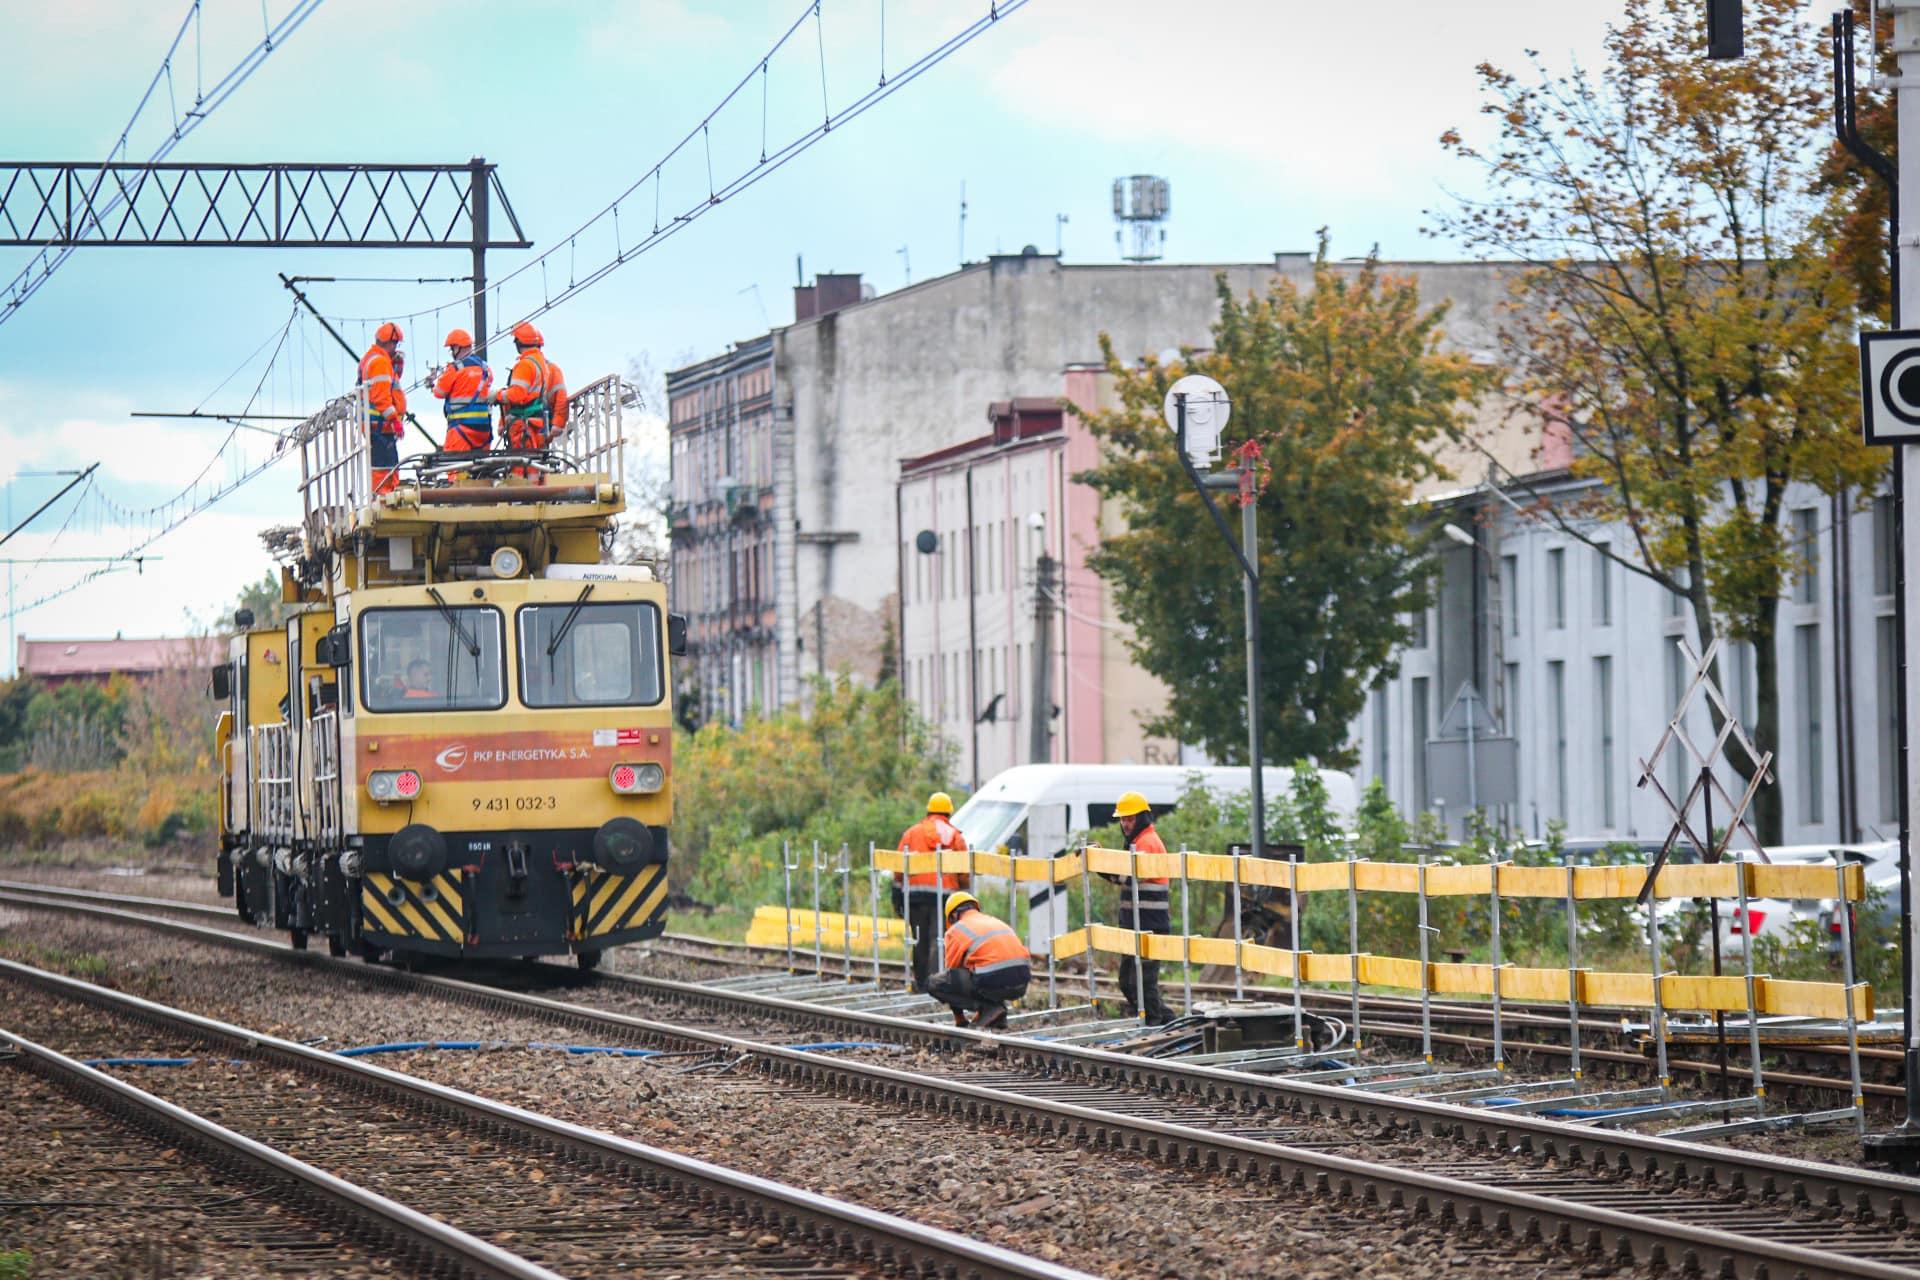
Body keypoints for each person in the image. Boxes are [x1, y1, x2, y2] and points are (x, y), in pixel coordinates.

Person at [893, 791, 969, 992]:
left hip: (915, 896)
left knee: (919, 939)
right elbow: (964, 872)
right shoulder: (955, 836)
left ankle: (920, 983)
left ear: (928, 811)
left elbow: (898, 869)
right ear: (949, 813)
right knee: (939, 939)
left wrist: (897, 893)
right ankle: (936, 983)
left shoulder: (911, 833)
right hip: (944, 897)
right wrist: (964, 894)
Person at [1109, 790, 1173, 1024]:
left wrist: (1098, 862)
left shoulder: (1147, 843)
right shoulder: (1137, 842)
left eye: (1130, 819)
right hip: (1135, 924)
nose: (1125, 824)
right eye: (1123, 819)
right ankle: (1166, 1022)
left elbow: (1128, 877)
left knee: (1142, 984)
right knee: (1129, 982)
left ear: (1142, 818)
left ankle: (1159, 1025)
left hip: (1150, 925)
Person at [927, 891, 1029, 1029]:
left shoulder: (957, 929)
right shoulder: (995, 921)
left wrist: (960, 1020)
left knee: (935, 983)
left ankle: (990, 1009)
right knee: (987, 969)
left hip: (994, 981)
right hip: (1021, 983)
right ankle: (995, 1014)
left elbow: (951, 977)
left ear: (953, 916)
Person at [494, 322, 568, 451]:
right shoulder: (542, 368)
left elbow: (515, 396)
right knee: (533, 461)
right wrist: (503, 423)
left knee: (526, 463)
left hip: (532, 424)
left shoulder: (532, 367)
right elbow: (513, 401)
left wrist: (557, 424)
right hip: (534, 424)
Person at [358, 322, 406, 493]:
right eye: (396, 344)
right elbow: (381, 398)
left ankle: (384, 494)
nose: (396, 348)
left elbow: (387, 386)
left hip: (377, 426)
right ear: (389, 343)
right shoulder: (380, 363)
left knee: (388, 466)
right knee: (384, 467)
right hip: (379, 426)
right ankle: (382, 497)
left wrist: (396, 368)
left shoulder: (374, 359)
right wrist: (394, 420)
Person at [431, 328, 494, 453]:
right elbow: (489, 383)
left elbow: (439, 392)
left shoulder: (454, 369)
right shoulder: (485, 368)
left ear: (457, 348)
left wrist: (433, 384)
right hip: (483, 429)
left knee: (456, 468)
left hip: (460, 428)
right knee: (481, 469)